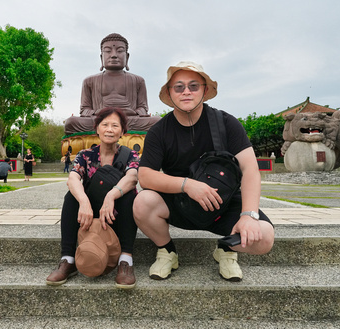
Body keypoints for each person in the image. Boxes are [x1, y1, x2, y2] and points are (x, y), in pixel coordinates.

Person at [133, 61, 275, 282]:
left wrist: (248, 215)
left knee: (264, 238)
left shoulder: (227, 123)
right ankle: (167, 251)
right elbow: (145, 176)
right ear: (170, 93)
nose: (186, 92)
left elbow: (250, 169)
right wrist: (187, 185)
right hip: (179, 203)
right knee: (142, 202)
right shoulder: (159, 131)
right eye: (178, 87)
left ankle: (226, 250)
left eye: (193, 86)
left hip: (223, 203)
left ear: (205, 90)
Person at [47, 107, 140, 289]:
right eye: (105, 124)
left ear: (123, 131)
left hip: (116, 214)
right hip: (89, 214)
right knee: (71, 197)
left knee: (130, 196)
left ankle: (126, 260)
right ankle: (68, 259)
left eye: (115, 125)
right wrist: (83, 202)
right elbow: (73, 178)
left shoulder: (130, 154)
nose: (109, 129)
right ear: (97, 129)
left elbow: (132, 177)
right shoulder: (85, 155)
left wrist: (111, 196)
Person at [64, 33, 160, 135]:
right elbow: (85, 109)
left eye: (119, 51)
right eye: (108, 51)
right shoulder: (89, 81)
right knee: (71, 122)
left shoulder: (138, 80)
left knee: (158, 122)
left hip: (128, 120)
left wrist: (134, 112)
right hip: (99, 120)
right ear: (101, 57)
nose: (114, 55)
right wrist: (97, 113)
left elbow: (142, 107)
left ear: (127, 57)